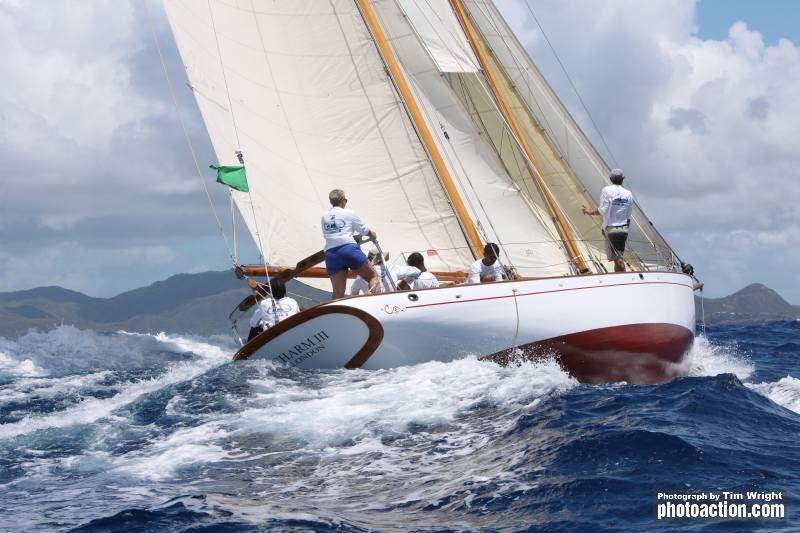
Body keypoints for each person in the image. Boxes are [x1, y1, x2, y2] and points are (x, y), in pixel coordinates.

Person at [322, 189, 378, 299]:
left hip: (331, 254)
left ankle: (335, 315)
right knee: (373, 276)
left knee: (338, 292)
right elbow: (364, 231)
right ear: (342, 200)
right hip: (348, 249)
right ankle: (378, 305)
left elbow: (327, 235)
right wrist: (373, 234)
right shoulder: (349, 213)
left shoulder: (324, 217)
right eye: (346, 200)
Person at [582, 168, 633, 272]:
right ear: (622, 179)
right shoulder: (628, 194)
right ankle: (620, 277)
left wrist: (589, 211)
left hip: (611, 229)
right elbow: (628, 216)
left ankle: (622, 278)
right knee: (617, 257)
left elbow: (602, 211)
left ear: (610, 179)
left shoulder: (607, 190)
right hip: (623, 230)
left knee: (618, 259)